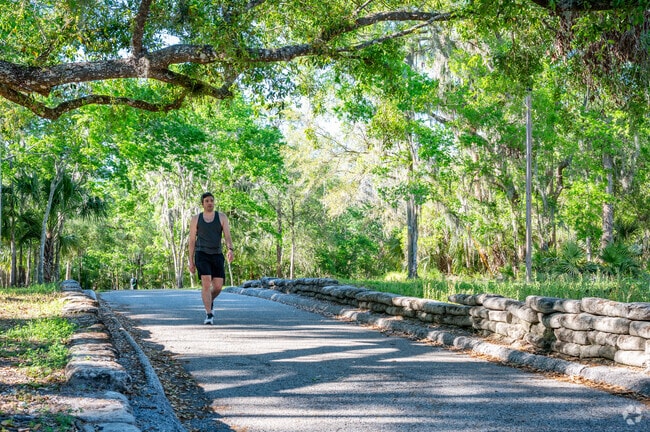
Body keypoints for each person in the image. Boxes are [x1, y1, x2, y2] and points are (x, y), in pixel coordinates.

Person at [188, 192, 234, 325]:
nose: (210, 203)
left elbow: (227, 236)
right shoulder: (196, 219)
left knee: (218, 286)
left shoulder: (222, 217)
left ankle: (208, 299)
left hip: (217, 254)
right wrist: (191, 261)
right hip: (201, 254)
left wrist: (230, 249)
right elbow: (191, 241)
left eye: (212, 200)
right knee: (206, 282)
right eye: (207, 201)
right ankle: (209, 314)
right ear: (202, 203)